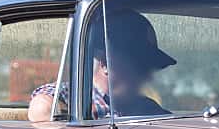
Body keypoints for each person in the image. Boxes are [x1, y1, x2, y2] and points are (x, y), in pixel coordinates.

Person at [29, 10, 174, 122]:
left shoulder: (147, 108)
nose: (147, 76)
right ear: (105, 63)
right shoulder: (74, 97)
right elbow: (41, 108)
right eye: (139, 66)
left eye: (148, 67)